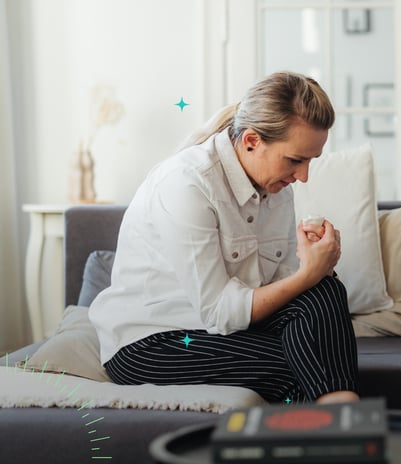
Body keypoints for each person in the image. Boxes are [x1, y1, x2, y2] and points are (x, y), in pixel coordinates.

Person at [88, 71, 359, 404]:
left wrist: (319, 265)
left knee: (325, 291)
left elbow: (288, 288)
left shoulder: (277, 189)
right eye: (295, 160)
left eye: (310, 161)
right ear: (251, 141)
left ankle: (343, 416)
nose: (302, 176)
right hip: (152, 341)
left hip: (224, 330)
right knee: (302, 365)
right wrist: (307, 275)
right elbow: (218, 311)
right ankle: (346, 420)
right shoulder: (187, 183)